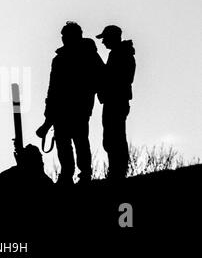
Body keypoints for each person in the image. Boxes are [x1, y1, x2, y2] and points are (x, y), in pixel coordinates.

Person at [37, 22, 104, 185]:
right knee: (63, 142)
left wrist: (89, 94)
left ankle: (84, 175)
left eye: (66, 35)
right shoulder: (59, 59)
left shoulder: (88, 54)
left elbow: (100, 77)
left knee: (79, 140)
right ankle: (67, 175)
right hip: (62, 108)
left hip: (80, 106)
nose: (63, 39)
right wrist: (49, 114)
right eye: (63, 36)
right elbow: (53, 88)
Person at [96, 25, 136, 181]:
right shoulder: (119, 54)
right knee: (113, 137)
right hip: (115, 100)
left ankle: (117, 172)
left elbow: (120, 78)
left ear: (112, 38)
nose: (103, 42)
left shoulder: (120, 54)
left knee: (115, 138)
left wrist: (104, 76)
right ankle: (116, 171)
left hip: (116, 100)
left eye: (105, 38)